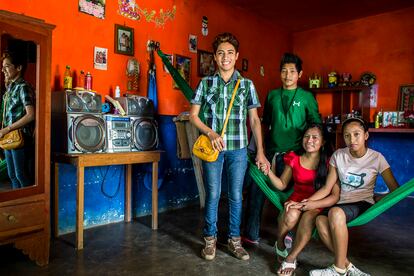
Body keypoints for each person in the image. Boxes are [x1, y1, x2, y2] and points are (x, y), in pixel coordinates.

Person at [189, 32, 269, 261]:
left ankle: (235, 240)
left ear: (237, 56)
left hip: (239, 149)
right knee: (213, 194)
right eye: (221, 53)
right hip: (213, 149)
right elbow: (194, 116)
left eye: (230, 53)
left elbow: (254, 120)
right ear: (215, 57)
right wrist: (211, 132)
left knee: (235, 195)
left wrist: (261, 152)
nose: (225, 57)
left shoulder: (246, 85)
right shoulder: (206, 83)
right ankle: (210, 240)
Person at [299, 117, 399, 276]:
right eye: (347, 135)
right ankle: (348, 267)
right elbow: (327, 188)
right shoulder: (338, 155)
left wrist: (379, 199)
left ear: (366, 135)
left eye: (356, 134)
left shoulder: (377, 158)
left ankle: (338, 269)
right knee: (320, 220)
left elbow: (395, 190)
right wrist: (306, 203)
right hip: (341, 203)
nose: (351, 139)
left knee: (335, 213)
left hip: (362, 202)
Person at [243, 52, 321, 245]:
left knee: (291, 196)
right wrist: (260, 150)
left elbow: (315, 126)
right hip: (270, 153)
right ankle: (251, 234)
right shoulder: (272, 95)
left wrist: (311, 153)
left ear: (300, 74)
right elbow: (264, 124)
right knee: (257, 189)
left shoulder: (306, 97)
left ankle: (288, 232)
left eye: (292, 71)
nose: (288, 75)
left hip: (295, 155)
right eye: (284, 71)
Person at [259, 124, 337, 276]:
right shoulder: (294, 158)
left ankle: (291, 258)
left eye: (315, 137)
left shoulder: (330, 162)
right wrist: (268, 172)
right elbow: (282, 185)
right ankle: (280, 243)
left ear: (323, 142)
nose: (309, 140)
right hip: (297, 197)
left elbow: (332, 193)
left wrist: (306, 204)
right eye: (306, 136)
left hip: (317, 202)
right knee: (291, 214)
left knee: (308, 217)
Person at [1, 50, 35, 189]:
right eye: (3, 67)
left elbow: (31, 115)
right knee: (12, 175)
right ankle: (17, 208)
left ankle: (27, 207)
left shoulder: (23, 87)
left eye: (7, 66)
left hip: (20, 137)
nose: (3, 70)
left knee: (21, 174)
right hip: (9, 137)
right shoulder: (10, 88)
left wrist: (8, 128)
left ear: (19, 67)